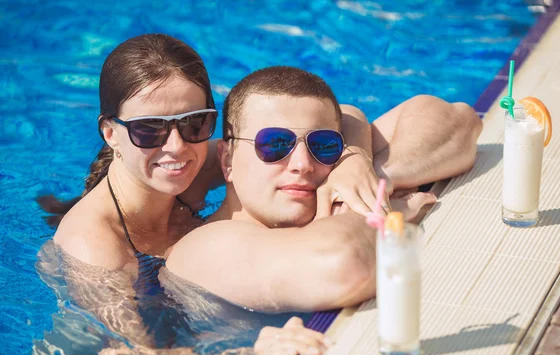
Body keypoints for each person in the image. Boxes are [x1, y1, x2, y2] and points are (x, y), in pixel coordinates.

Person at [31, 34, 333, 355]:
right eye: (148, 129)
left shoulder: (193, 164)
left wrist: (352, 164)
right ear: (111, 133)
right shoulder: (94, 243)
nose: (176, 146)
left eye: (194, 124)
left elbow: (341, 118)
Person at [165, 66, 481, 313]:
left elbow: (458, 120)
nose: (303, 163)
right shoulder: (204, 245)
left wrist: (367, 174)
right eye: (276, 144)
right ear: (228, 160)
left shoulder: (344, 170)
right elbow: (345, 264)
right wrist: (382, 209)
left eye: (324, 145)